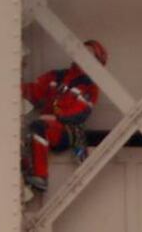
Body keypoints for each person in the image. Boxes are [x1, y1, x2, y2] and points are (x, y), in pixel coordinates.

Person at [21, 39, 108, 193]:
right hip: (51, 125)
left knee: (39, 128)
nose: (82, 55)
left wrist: (57, 119)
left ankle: (40, 177)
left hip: (67, 130)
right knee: (31, 132)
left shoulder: (90, 86)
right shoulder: (56, 76)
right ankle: (28, 168)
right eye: (81, 50)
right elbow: (34, 91)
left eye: (88, 53)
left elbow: (81, 113)